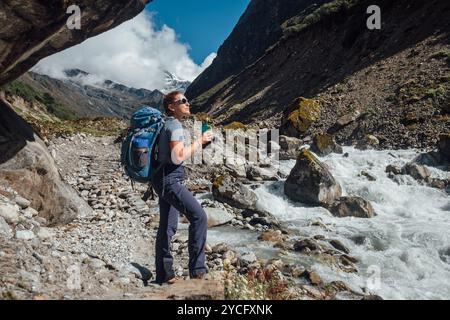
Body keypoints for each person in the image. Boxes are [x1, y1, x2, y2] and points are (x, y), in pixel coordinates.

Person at [151, 91, 213, 284]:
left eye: (187, 100)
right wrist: (200, 141)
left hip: (161, 178)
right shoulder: (174, 125)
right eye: (183, 101)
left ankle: (163, 275)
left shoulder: (167, 124)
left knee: (167, 227)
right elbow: (178, 156)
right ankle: (197, 271)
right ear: (171, 107)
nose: (188, 103)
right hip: (170, 179)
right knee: (199, 217)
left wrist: (200, 144)